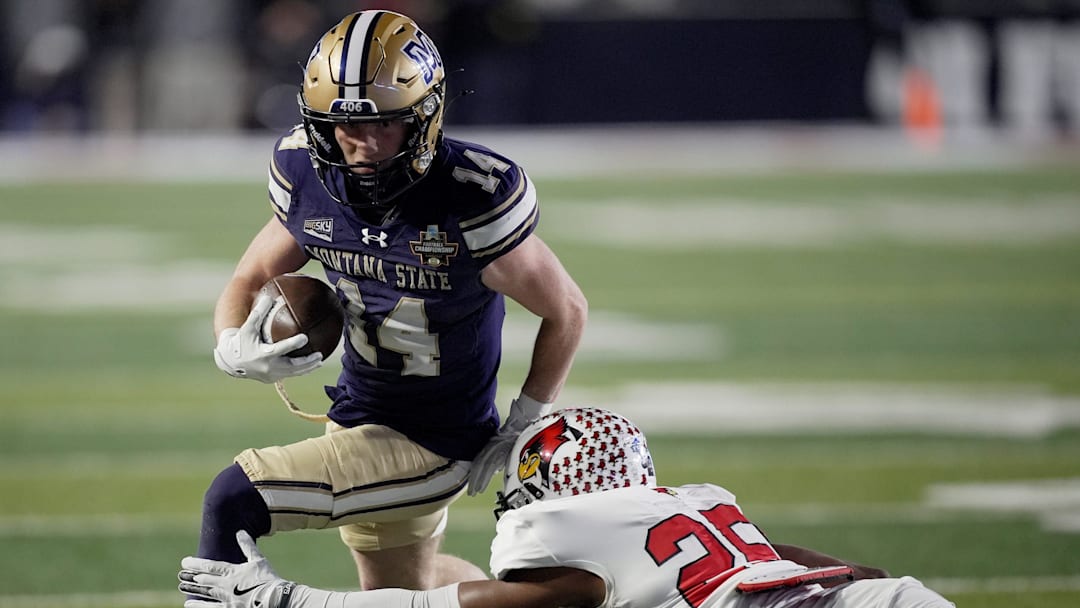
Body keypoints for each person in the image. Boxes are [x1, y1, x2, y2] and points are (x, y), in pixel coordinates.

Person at [201, 8, 587, 592]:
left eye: (387, 124)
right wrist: (231, 343)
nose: (365, 144)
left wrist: (525, 418)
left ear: (425, 118)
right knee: (403, 595)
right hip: (356, 411)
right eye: (346, 126)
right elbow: (249, 275)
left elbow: (567, 310)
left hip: (434, 442)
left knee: (233, 497)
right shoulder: (304, 172)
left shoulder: (473, 194)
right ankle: (530, 604)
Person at [180, 407, 955, 608]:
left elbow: (442, 603)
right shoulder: (703, 508)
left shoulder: (580, 554)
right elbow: (869, 571)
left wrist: (289, 598)